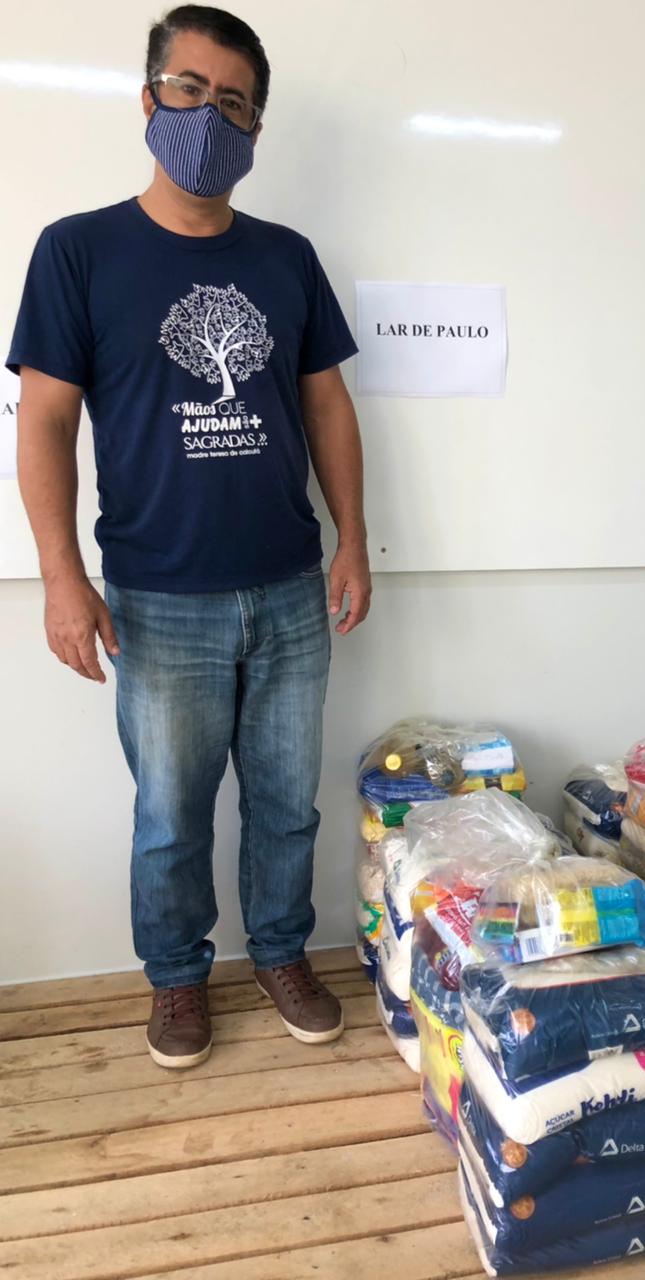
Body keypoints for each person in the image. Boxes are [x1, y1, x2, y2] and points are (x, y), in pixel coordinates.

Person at [6, 4, 371, 1069]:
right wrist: (62, 578)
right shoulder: (77, 251)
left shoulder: (287, 258)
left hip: (290, 587)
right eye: (190, 89)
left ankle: (281, 952)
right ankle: (175, 974)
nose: (211, 115)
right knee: (170, 814)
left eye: (235, 102)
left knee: (286, 803)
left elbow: (328, 406)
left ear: (257, 128)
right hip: (158, 598)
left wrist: (353, 539)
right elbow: (44, 420)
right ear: (148, 97)